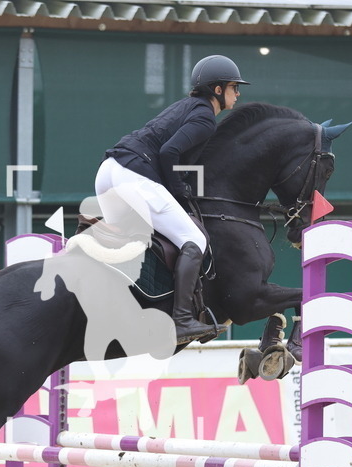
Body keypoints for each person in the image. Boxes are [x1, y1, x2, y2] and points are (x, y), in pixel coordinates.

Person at [94, 54, 248, 344]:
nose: (238, 93)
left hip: (108, 173)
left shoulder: (186, 106)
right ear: (217, 90)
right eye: (233, 87)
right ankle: (181, 321)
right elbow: (169, 153)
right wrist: (178, 191)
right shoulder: (205, 118)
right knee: (195, 241)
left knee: (143, 243)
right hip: (132, 176)